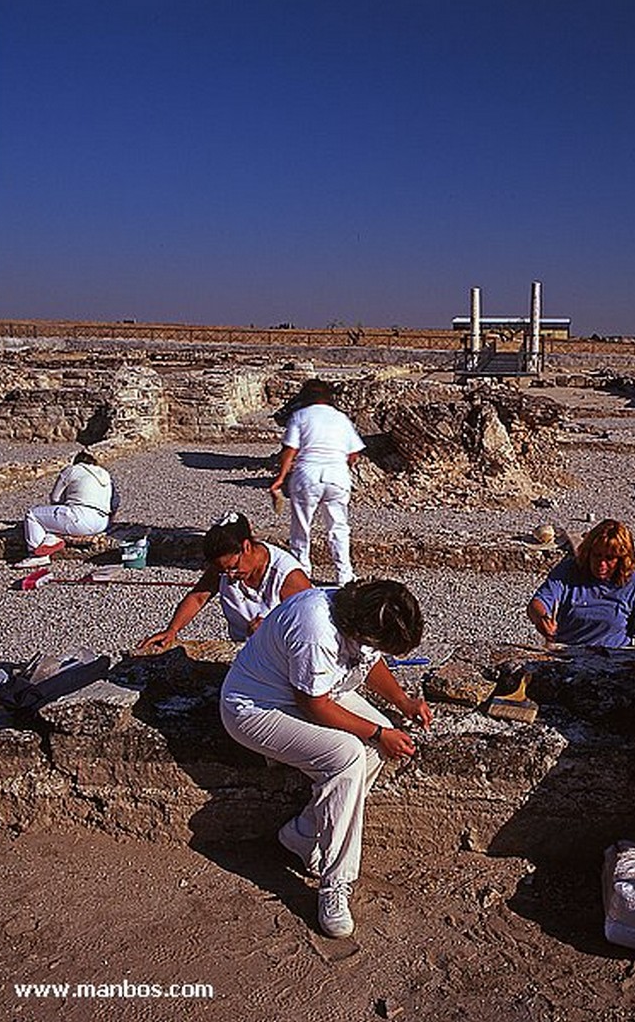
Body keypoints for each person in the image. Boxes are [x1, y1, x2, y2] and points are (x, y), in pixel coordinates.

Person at [219, 579, 431, 938]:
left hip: (309, 691)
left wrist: (403, 702)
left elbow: (370, 662)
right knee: (349, 755)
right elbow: (313, 705)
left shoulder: (361, 613)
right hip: (256, 709)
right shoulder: (316, 629)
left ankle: (303, 834)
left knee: (374, 746)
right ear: (358, 628)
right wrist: (380, 733)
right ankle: (335, 883)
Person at [138, 512, 311, 650]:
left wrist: (273, 629)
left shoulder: (288, 577)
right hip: (243, 648)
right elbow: (198, 598)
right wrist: (172, 630)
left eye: (233, 567)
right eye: (223, 570)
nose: (229, 575)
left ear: (246, 547)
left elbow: (309, 625)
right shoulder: (223, 569)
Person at [269, 378, 364, 584]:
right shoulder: (341, 418)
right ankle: (344, 575)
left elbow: (290, 450)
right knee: (338, 527)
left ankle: (302, 571)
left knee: (301, 527)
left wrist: (280, 478)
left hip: (307, 475)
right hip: (337, 477)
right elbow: (354, 453)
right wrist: (342, 464)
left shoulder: (300, 416)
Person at [527, 519, 635, 650]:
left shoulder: (634, 584)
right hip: (568, 652)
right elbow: (538, 603)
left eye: (609, 558)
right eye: (597, 555)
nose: (601, 564)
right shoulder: (568, 571)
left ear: (621, 559)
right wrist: (542, 619)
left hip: (613, 657)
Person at [16, 450, 115, 568]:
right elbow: (113, 501)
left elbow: (55, 498)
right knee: (55, 520)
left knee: (33, 515)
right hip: (102, 523)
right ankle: (51, 539)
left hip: (80, 519)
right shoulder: (105, 474)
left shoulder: (72, 470)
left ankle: (37, 556)